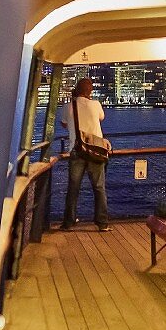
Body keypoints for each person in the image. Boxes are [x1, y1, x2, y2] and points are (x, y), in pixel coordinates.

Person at [61, 77, 109, 231]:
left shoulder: (69, 106)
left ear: (76, 89)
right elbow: (101, 117)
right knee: (99, 188)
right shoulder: (96, 105)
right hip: (95, 150)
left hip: (77, 151)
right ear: (90, 92)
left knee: (73, 188)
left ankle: (69, 222)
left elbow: (64, 123)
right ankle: (102, 223)